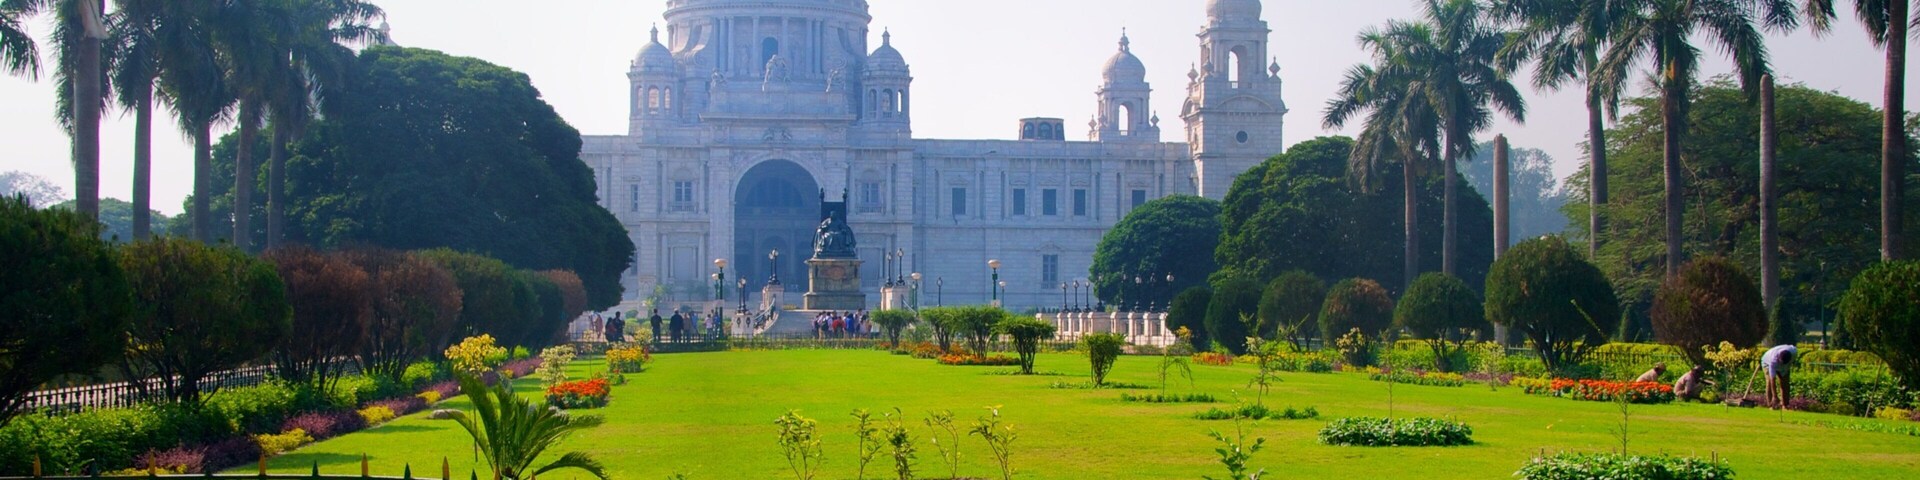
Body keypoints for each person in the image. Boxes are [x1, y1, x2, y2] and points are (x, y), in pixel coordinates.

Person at [1761, 344, 1798, 410]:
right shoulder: (1773, 360)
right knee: (1769, 382)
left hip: (1785, 366)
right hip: (1766, 362)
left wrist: (1784, 371)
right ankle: (1771, 405)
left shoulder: (1794, 352)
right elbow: (1773, 379)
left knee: (1785, 383)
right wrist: (1775, 396)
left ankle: (1785, 405)